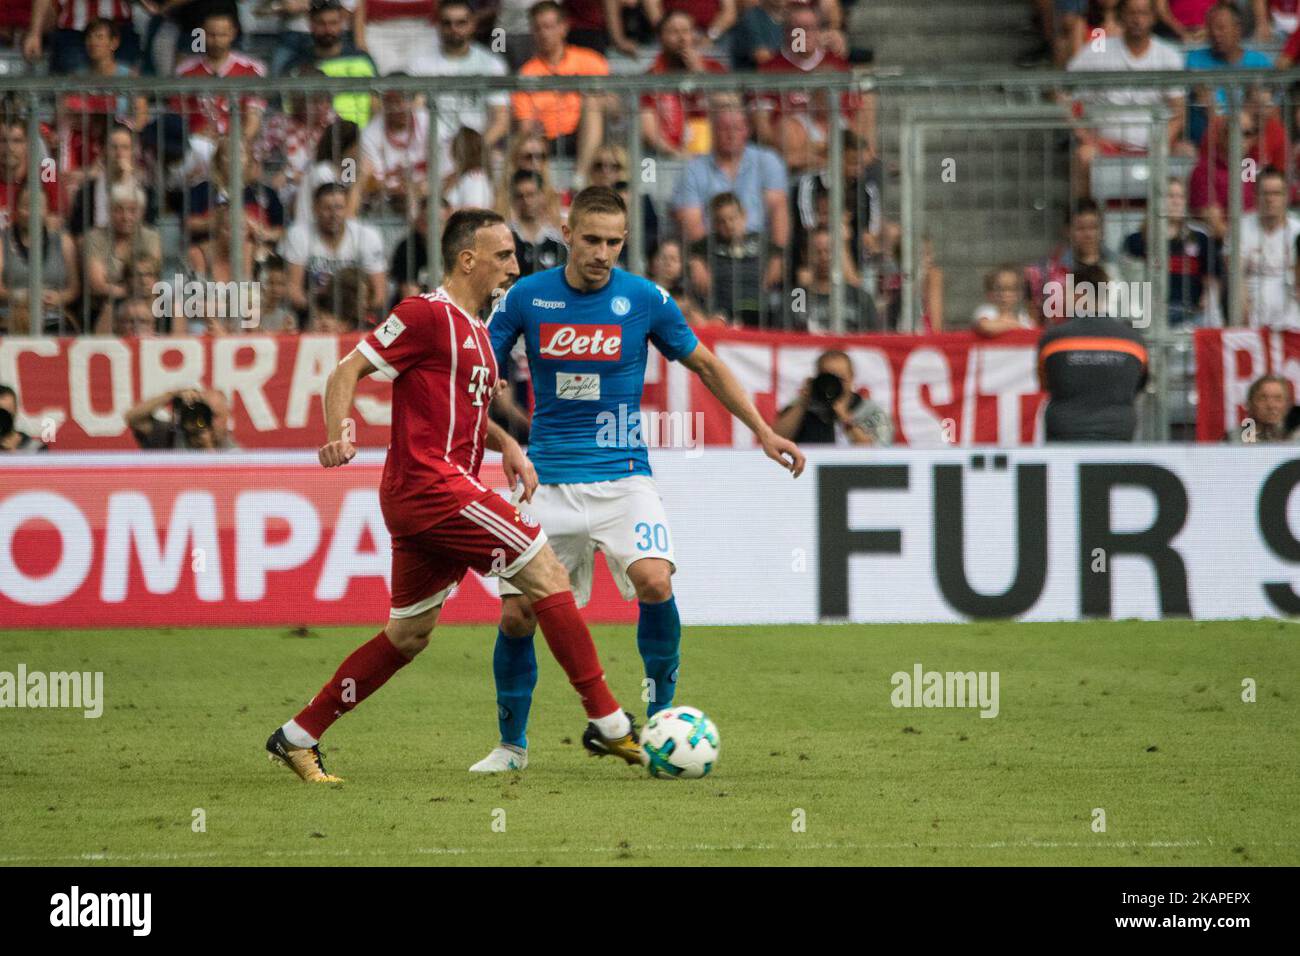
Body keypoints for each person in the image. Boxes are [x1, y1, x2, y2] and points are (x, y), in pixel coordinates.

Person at [266, 207, 649, 782]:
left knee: (408, 635)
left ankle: (297, 736)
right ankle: (608, 721)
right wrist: (337, 432)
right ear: (467, 259)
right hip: (434, 487)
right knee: (547, 573)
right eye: (503, 255)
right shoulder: (424, 314)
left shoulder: (477, 333)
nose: (515, 266)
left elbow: (461, 415)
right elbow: (346, 370)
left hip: (430, 495)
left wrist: (508, 446)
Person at [468, 185, 804, 773]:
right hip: (548, 483)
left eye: (614, 242)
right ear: (567, 234)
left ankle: (661, 722)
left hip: (625, 477)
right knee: (518, 614)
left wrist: (764, 431)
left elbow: (705, 362)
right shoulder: (525, 298)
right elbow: (477, 372)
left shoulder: (644, 299)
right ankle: (511, 746)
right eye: (591, 239)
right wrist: (501, 435)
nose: (602, 252)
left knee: (654, 581)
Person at [1065, 0, 1188, 200]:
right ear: (1121, 16)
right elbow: (1064, 96)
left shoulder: (1168, 56)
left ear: (1153, 18)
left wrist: (1161, 142)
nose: (1137, 20)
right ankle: (1088, 220)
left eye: (1143, 14)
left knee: (1186, 154)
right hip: (1106, 147)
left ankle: (1179, 228)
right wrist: (1086, 136)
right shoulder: (1098, 50)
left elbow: (1179, 112)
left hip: (1157, 146)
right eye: (1132, 13)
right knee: (1083, 155)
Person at [1037, 263, 1148, 442]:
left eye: (1066, 291)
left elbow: (1044, 384)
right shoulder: (1133, 341)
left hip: (1065, 434)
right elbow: (1138, 386)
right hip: (1119, 433)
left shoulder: (1053, 339)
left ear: (1079, 294)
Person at [511, 1, 608, 171]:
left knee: (593, 102)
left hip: (585, 134)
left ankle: (580, 176)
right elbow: (525, 125)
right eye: (537, 28)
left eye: (548, 26)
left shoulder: (591, 61)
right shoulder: (526, 74)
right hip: (546, 139)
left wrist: (594, 97)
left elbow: (615, 103)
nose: (543, 33)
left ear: (563, 28)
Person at [1121, 177, 1220, 326]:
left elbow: (1212, 277)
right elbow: (1128, 283)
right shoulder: (1136, 241)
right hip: (1150, 316)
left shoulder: (1200, 239)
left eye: (1181, 196)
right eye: (1170, 196)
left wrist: (1208, 296)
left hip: (1191, 315)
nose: (1176, 201)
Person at [281, 181, 387, 321]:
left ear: (347, 208)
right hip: (311, 313)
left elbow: (380, 294)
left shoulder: (367, 236)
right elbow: (293, 290)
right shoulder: (299, 235)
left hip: (356, 314)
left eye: (339, 208)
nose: (333, 214)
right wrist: (322, 316)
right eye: (327, 208)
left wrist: (351, 316)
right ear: (315, 209)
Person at [772, 349, 892, 446]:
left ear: (851, 378)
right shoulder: (803, 408)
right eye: (828, 379)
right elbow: (775, 440)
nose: (833, 385)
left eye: (839, 379)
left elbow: (879, 453)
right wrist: (804, 402)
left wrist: (846, 420)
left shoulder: (872, 411)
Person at [1236, 167, 1300, 329]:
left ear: (1286, 197)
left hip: (1292, 309)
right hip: (1251, 308)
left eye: (1276, 193)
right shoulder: (1242, 228)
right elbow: (1236, 273)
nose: (1270, 199)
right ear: (1256, 197)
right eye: (1265, 193)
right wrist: (1244, 313)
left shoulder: (1297, 231)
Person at [125, 387, 236, 450]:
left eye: (215, 416)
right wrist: (173, 395)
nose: (208, 421)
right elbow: (133, 418)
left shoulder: (234, 454)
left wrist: (208, 447)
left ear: (227, 418)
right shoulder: (173, 435)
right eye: (204, 414)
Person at [508, 170, 567, 276]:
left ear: (542, 196)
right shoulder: (506, 239)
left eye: (531, 195)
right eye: (520, 196)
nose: (526, 201)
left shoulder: (556, 242)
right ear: (513, 199)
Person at [1226, 374, 1295, 443]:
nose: (1271, 405)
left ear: (1287, 405)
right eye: (1263, 398)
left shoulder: (1296, 438)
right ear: (1250, 404)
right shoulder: (1235, 439)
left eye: (1278, 399)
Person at [973, 265, 1036, 337]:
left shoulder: (1024, 317)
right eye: (999, 289)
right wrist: (1017, 326)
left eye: (1011, 289)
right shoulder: (987, 311)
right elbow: (985, 326)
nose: (1005, 294)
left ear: (1019, 294)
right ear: (990, 294)